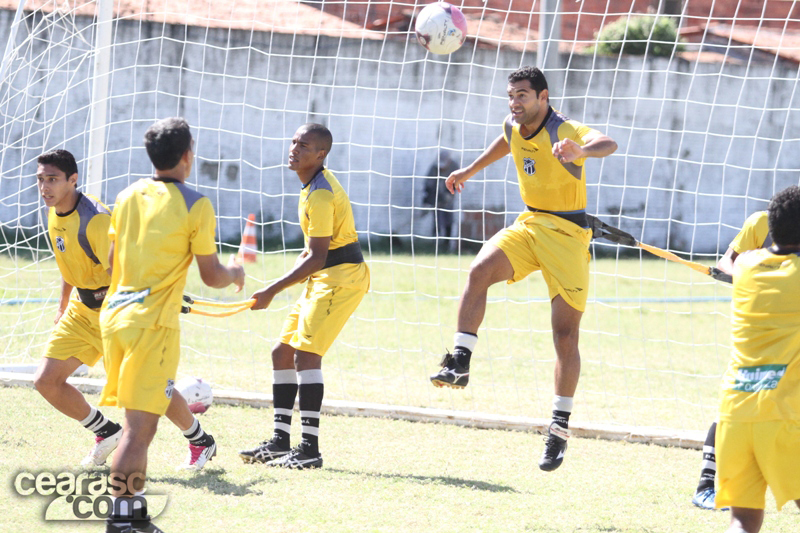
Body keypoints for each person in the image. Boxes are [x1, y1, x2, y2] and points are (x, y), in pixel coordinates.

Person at [429, 66, 617, 472]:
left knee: (565, 335)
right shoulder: (514, 125)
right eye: (511, 96)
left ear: (543, 97)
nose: (515, 103)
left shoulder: (564, 130)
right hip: (531, 225)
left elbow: (607, 142)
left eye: (523, 96)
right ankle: (459, 361)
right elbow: (506, 140)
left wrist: (582, 151)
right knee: (479, 270)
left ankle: (560, 428)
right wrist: (469, 171)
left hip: (568, 236)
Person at [32, 149, 222, 472]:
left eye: (52, 180)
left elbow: (126, 268)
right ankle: (107, 433)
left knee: (147, 390)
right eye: (40, 180)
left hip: (115, 313)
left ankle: (201, 439)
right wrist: (63, 305)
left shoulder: (96, 220)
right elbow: (69, 263)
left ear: (72, 180)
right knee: (46, 381)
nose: (45, 187)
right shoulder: (53, 212)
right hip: (81, 310)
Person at [99, 119, 244, 533]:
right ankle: (121, 523)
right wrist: (235, 272)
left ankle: (136, 516)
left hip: (116, 318)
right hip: (152, 326)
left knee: (139, 420)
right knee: (138, 429)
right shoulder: (196, 204)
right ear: (187, 155)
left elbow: (112, 264)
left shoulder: (127, 195)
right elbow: (212, 275)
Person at [239, 123, 369, 469]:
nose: (294, 148)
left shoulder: (321, 193)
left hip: (340, 280)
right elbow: (315, 250)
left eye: (304, 145)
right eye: (294, 141)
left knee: (306, 357)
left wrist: (271, 289)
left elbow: (319, 255)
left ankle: (309, 450)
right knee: (282, 353)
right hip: (326, 275)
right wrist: (297, 270)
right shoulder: (310, 186)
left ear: (321, 154)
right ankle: (281, 442)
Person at [715, 185, 800, 531]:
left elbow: (731, 262)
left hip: (735, 413)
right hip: (783, 417)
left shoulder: (747, 268)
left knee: (743, 521)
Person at [692, 209, 771, 510]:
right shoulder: (762, 221)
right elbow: (726, 262)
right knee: (736, 400)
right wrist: (747, 277)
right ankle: (706, 485)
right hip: (760, 326)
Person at [422, 150, 459, 250]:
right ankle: (436, 245)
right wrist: (426, 201)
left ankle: (446, 245)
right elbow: (428, 185)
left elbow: (457, 183)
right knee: (437, 221)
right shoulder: (434, 168)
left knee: (448, 221)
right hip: (436, 199)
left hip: (448, 198)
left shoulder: (454, 167)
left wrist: (448, 196)